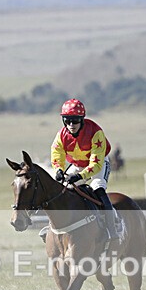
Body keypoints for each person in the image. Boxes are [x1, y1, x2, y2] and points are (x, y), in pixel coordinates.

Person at [51, 98, 118, 240]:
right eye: (67, 120)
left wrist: (80, 176)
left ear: (82, 119)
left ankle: (112, 229)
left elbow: (96, 164)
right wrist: (58, 170)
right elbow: (57, 154)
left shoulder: (95, 132)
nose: (71, 125)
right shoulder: (61, 135)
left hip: (98, 163)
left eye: (75, 120)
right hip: (77, 164)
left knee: (98, 187)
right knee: (61, 190)